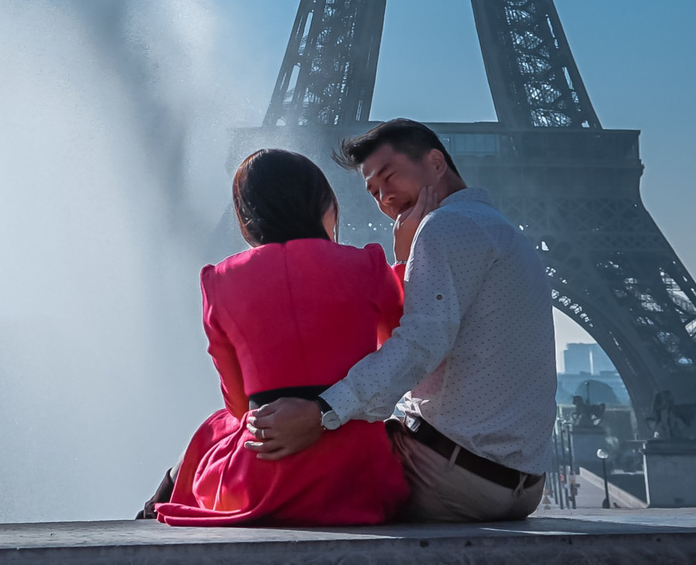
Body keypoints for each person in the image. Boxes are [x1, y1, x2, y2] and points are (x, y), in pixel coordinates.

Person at [242, 120, 552, 523]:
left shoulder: (443, 227)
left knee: (263, 450)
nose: (385, 197)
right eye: (373, 192)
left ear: (436, 163)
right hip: (517, 487)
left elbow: (419, 342)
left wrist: (321, 411)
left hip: (451, 478)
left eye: (389, 177)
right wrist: (405, 259)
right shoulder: (499, 229)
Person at [146, 148, 412, 527]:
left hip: (261, 473)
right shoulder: (367, 265)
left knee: (213, 428)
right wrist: (402, 258)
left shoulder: (218, 280)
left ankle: (152, 506)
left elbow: (239, 406)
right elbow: (402, 350)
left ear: (247, 218)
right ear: (323, 204)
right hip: (358, 477)